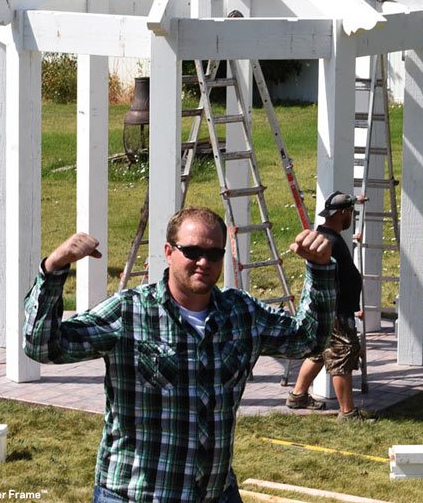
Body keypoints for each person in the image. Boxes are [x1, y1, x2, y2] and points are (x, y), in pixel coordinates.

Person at [24, 207, 338, 503]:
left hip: (215, 493)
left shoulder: (241, 313)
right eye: (192, 252)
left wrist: (320, 268)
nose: (203, 262)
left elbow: (307, 341)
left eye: (214, 253)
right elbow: (44, 347)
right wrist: (53, 269)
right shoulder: (130, 311)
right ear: (168, 252)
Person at [285, 192, 373, 424]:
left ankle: (298, 396)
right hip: (336, 312)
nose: (351, 217)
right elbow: (327, 278)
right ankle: (348, 413)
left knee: (319, 354)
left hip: (331, 310)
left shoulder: (328, 237)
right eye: (350, 213)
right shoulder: (329, 241)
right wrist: (344, 311)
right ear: (343, 213)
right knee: (342, 355)